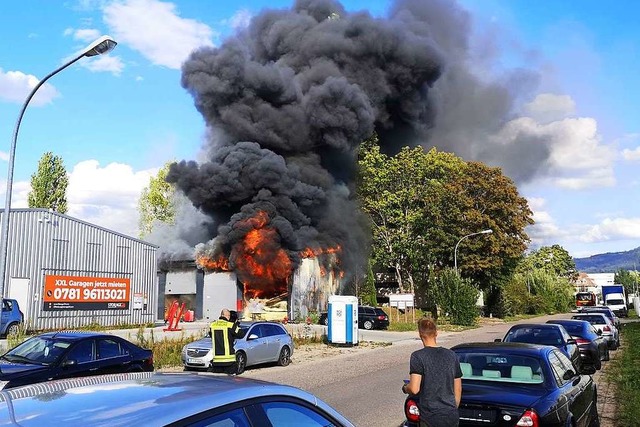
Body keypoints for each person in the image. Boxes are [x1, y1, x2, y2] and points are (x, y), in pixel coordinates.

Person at [402, 317, 462, 427]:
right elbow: (457, 389)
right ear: (436, 333)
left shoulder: (418, 356)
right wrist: (452, 409)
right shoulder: (451, 355)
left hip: (430, 417)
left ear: (420, 335)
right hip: (451, 416)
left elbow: (414, 389)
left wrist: (405, 388)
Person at [210, 308, 243, 374]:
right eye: (229, 316)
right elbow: (241, 334)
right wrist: (236, 324)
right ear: (227, 316)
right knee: (230, 382)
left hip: (217, 361)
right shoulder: (230, 325)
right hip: (229, 361)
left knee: (218, 383)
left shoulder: (212, 325)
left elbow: (211, 335)